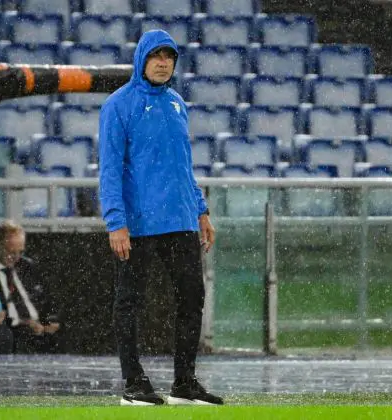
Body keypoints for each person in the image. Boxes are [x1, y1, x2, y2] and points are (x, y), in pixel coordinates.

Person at [99, 29, 222, 406]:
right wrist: (116, 222)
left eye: (169, 57)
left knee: (191, 297)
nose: (163, 62)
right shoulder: (118, 105)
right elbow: (109, 169)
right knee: (130, 301)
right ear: (142, 60)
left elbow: (183, 167)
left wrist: (200, 210)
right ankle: (133, 383)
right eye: (156, 56)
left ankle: (184, 382)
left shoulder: (176, 104)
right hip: (137, 224)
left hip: (181, 220)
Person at [0, 220, 61, 354]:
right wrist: (23, 322)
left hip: (39, 327)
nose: (16, 257)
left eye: (20, 252)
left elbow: (46, 298)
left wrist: (51, 320)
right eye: (10, 252)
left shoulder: (27, 266)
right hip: (13, 328)